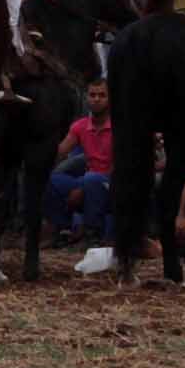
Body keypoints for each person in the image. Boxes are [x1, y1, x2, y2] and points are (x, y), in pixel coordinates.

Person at [46, 79, 115, 245]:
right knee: (48, 179)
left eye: (102, 95)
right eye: (92, 95)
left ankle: (93, 235)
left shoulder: (120, 126)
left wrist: (83, 185)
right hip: (88, 180)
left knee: (92, 179)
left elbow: (119, 167)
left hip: (113, 183)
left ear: (111, 98)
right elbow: (59, 152)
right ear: (86, 98)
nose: (96, 99)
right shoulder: (80, 126)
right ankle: (63, 230)